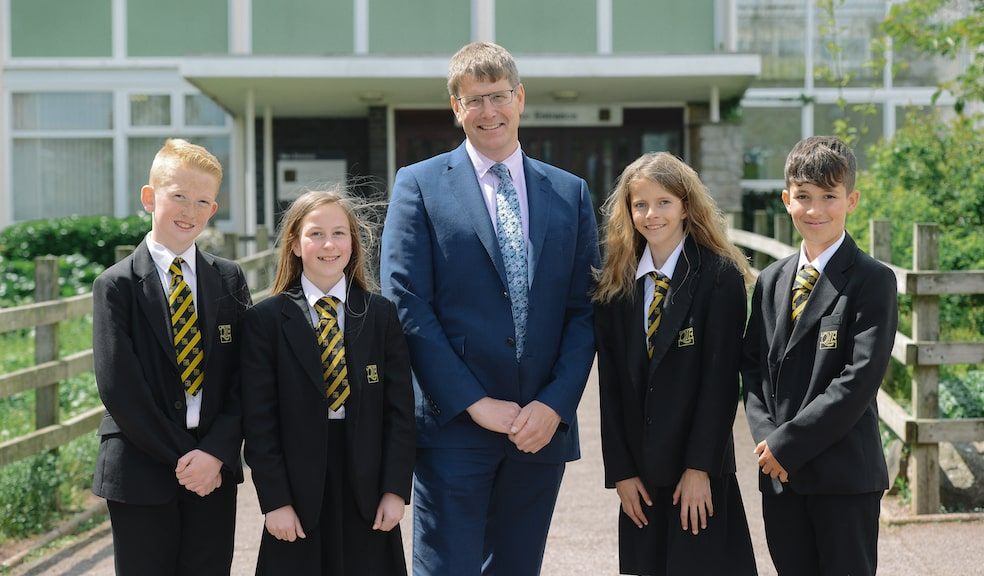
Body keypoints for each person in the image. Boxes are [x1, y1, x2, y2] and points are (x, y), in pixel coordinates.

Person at [380, 41, 599, 576]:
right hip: (455, 427)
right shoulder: (420, 186)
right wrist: (475, 402)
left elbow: (587, 309)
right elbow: (406, 304)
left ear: (519, 98)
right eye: (473, 100)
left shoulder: (569, 194)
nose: (488, 112)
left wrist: (554, 405)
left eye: (498, 96)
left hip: (539, 430)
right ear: (456, 108)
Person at [593, 152, 758, 575]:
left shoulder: (718, 277)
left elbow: (720, 385)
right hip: (641, 481)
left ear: (686, 204)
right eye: (640, 204)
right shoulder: (616, 286)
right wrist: (621, 473)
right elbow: (610, 389)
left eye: (664, 202)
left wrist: (700, 468)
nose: (651, 214)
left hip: (697, 475)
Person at [91, 139, 250, 575]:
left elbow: (246, 376)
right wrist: (188, 459)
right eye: (178, 196)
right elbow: (119, 387)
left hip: (213, 472)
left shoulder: (229, 279)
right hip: (142, 469)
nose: (189, 211)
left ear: (213, 208)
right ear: (149, 198)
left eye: (202, 201)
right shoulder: (116, 285)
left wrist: (215, 453)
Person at [742, 136, 898, 576]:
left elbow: (858, 379)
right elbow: (753, 368)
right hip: (779, 478)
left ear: (851, 199)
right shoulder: (771, 280)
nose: (815, 210)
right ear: (786, 199)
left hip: (843, 477)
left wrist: (787, 445)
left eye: (829, 197)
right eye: (804, 198)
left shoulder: (872, 281)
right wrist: (767, 439)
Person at [241, 189, 414, 575]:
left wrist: (395, 489)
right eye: (315, 234)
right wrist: (275, 501)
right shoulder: (266, 321)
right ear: (295, 244)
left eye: (339, 233)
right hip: (298, 492)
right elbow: (259, 421)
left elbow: (400, 412)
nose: (328, 244)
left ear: (353, 243)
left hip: (367, 489)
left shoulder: (380, 314)